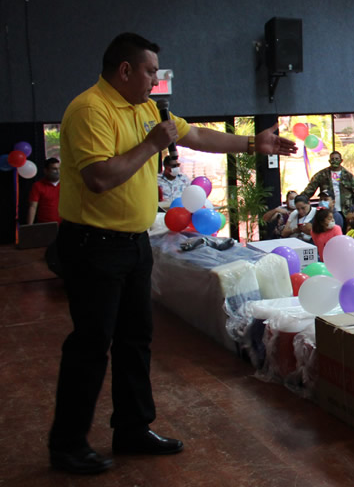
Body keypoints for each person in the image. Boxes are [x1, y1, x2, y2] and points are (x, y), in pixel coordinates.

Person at [50, 32, 297, 474]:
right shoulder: (90, 109)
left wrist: (251, 144)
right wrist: (150, 144)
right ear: (125, 70)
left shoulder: (145, 108)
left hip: (132, 244)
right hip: (93, 248)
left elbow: (196, 134)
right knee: (91, 345)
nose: (155, 80)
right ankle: (68, 444)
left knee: (135, 340)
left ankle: (132, 428)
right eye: (150, 71)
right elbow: (100, 178)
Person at [29, 157, 62, 224]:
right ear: (46, 170)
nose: (57, 171)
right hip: (45, 226)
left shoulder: (65, 184)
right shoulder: (38, 186)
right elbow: (33, 207)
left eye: (59, 169)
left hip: (64, 226)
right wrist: (29, 227)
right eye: (54, 169)